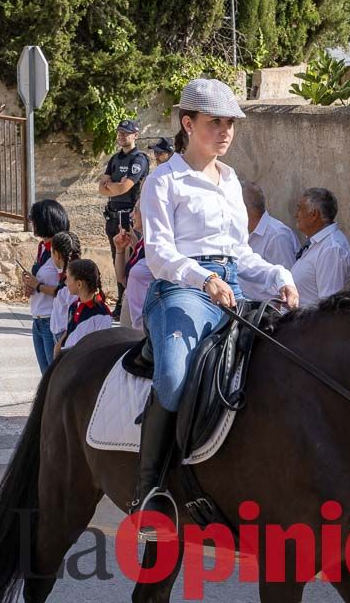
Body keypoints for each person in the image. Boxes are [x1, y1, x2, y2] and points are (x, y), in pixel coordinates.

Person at [135, 78, 299, 536]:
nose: (225, 131)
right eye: (215, 122)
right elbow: (159, 255)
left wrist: (277, 276)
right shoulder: (163, 180)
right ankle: (149, 494)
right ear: (188, 123)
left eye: (230, 123)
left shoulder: (231, 183)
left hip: (233, 290)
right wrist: (202, 278)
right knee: (172, 377)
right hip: (181, 293)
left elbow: (241, 254)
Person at [98, 119, 149, 318]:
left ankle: (128, 302)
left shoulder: (139, 159)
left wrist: (112, 185)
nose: (121, 136)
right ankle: (121, 302)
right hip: (112, 216)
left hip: (130, 217)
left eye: (125, 133)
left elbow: (124, 187)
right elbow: (101, 188)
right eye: (119, 132)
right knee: (117, 258)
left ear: (135, 135)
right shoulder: (115, 159)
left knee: (132, 261)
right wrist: (112, 185)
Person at [23, 199, 70, 374]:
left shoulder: (61, 247)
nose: (30, 222)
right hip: (38, 318)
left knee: (54, 377)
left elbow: (67, 290)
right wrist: (31, 284)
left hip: (53, 319)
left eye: (32, 218)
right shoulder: (43, 246)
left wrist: (39, 286)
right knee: (46, 378)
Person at [292, 187, 350, 306]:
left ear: (314, 214)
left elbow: (329, 307)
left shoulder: (332, 249)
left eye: (299, 209)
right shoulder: (319, 243)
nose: (296, 215)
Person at [240, 181, 301, 301]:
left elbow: (289, 287)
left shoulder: (277, 236)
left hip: (266, 313)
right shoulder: (243, 231)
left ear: (244, 210)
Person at [55, 259, 112, 355]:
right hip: (69, 362)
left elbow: (102, 348)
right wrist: (58, 347)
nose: (65, 282)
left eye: (68, 278)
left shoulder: (102, 314)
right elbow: (69, 332)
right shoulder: (73, 306)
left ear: (79, 284)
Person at [114, 201, 152, 331]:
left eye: (135, 210)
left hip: (145, 320)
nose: (131, 215)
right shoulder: (141, 244)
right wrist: (120, 249)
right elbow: (122, 278)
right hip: (131, 311)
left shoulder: (157, 246)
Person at [49, 231, 82, 348]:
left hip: (64, 336)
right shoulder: (67, 274)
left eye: (51, 252)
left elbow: (74, 315)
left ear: (57, 255)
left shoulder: (72, 282)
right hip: (59, 333)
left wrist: (62, 341)